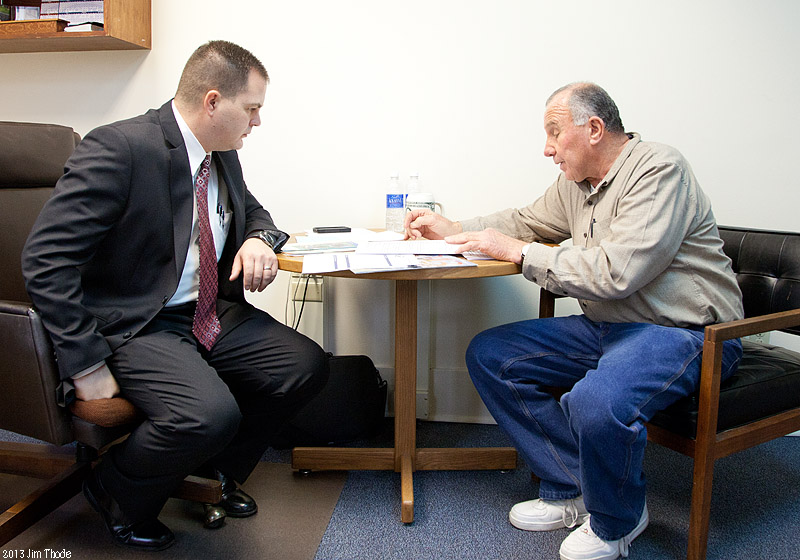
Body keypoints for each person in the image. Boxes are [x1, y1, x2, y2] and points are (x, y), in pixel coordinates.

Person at [404, 82, 743, 560]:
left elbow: (617, 272)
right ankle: (572, 486)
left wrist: (520, 254)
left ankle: (618, 518)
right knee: (492, 355)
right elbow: (526, 220)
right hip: (610, 329)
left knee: (595, 401)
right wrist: (457, 228)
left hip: (685, 333)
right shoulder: (575, 185)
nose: (547, 149)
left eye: (553, 133)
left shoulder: (659, 169)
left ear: (594, 129)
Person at [22, 40, 329, 551]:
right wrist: (85, 365)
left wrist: (258, 238)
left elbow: (256, 213)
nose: (257, 122)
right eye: (251, 109)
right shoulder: (120, 148)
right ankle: (115, 489)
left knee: (302, 365)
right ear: (213, 102)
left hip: (202, 311)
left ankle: (213, 472)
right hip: (136, 321)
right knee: (208, 413)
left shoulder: (221, 154)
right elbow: (45, 260)